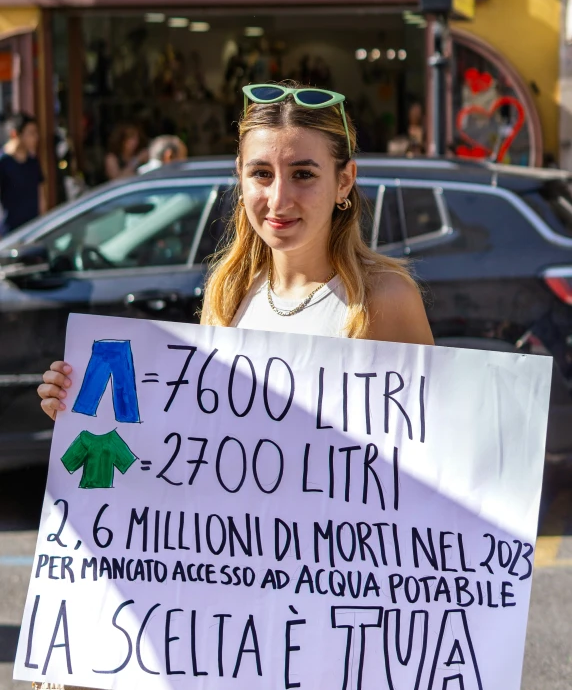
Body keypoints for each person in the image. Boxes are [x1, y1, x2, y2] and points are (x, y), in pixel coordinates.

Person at [34, 83, 433, 690]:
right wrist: (80, 409)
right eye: (261, 173)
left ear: (345, 181)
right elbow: (196, 454)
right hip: (241, 617)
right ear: (240, 178)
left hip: (332, 614)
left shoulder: (381, 301)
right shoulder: (229, 295)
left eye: (304, 173)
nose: (279, 197)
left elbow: (433, 468)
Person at [0, 112, 45, 235]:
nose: (36, 138)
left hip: (33, 230)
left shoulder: (33, 162)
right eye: (31, 133)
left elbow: (41, 197)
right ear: (16, 134)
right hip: (10, 233)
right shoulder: (3, 163)